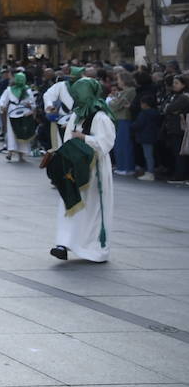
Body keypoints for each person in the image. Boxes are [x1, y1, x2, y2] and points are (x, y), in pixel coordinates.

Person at [49, 77, 115, 263]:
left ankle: (93, 248)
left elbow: (106, 143)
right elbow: (68, 139)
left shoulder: (101, 117)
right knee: (69, 202)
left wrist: (84, 138)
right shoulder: (76, 115)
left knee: (93, 208)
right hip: (74, 168)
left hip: (94, 169)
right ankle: (63, 243)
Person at [0, 71, 37, 162]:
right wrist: (3, 106)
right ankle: (12, 152)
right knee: (15, 132)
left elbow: (32, 103)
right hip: (16, 112)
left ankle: (18, 154)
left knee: (21, 132)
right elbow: (3, 100)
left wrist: (31, 109)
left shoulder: (26, 90)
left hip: (21, 112)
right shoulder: (10, 89)